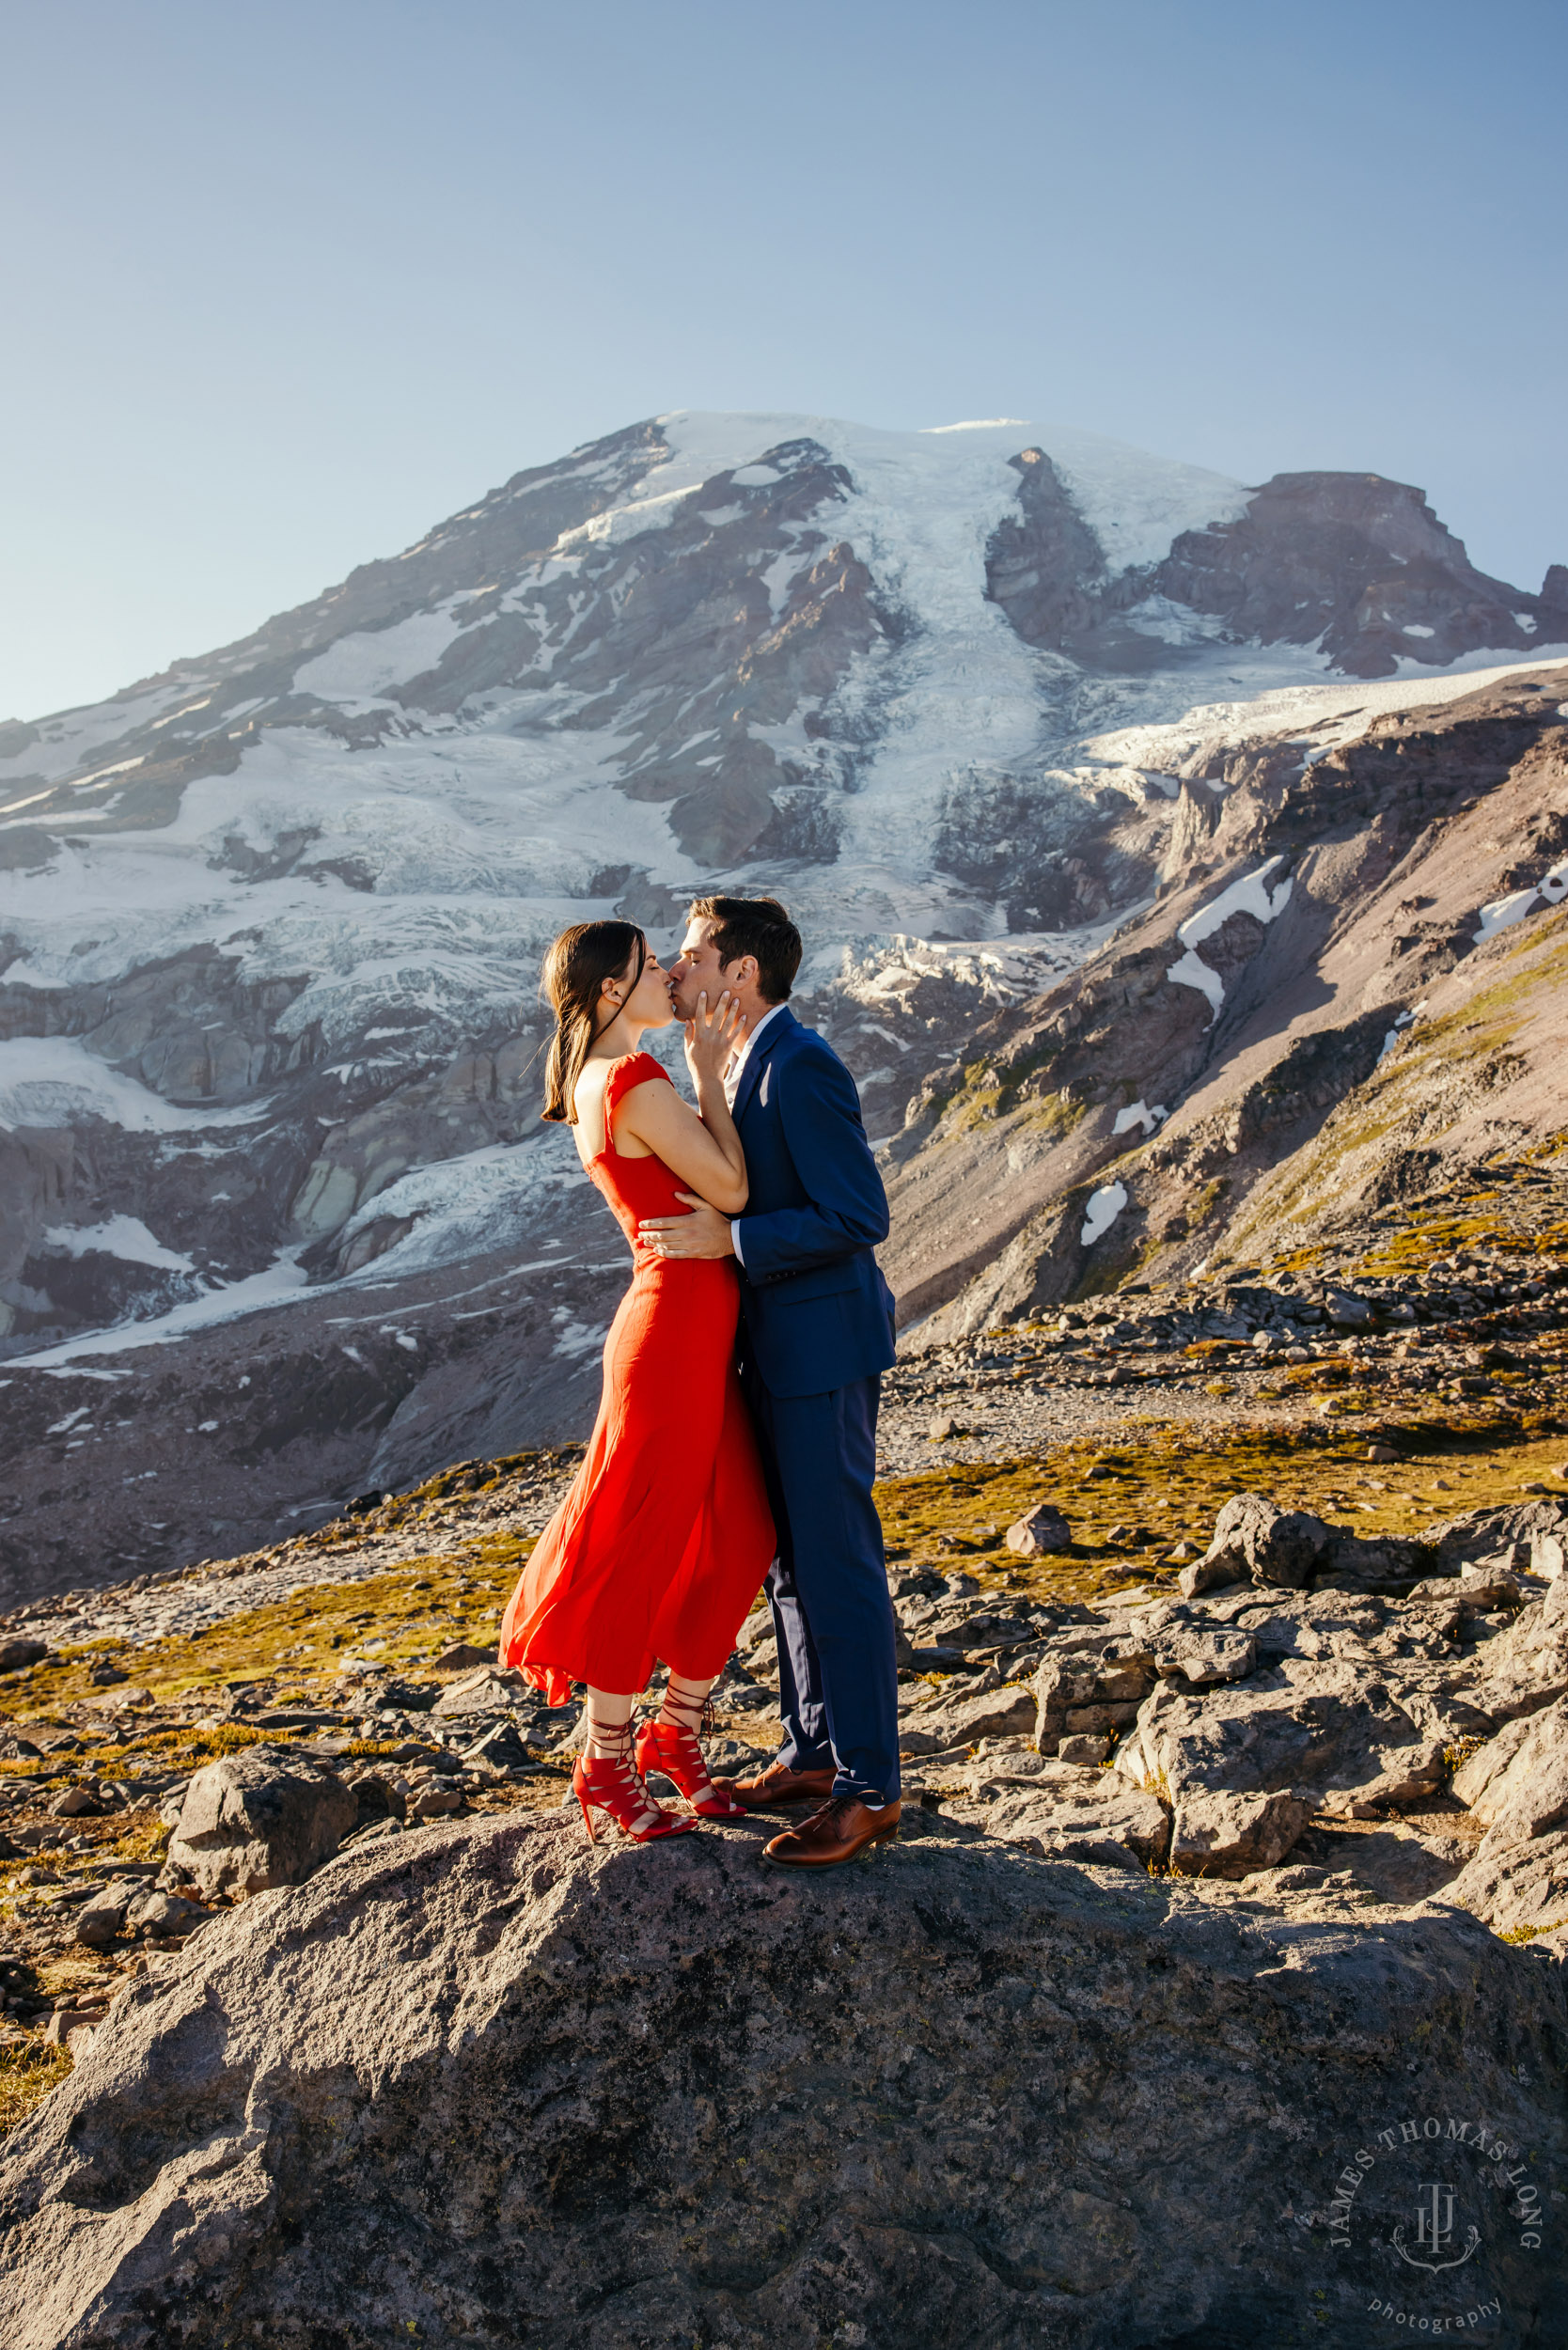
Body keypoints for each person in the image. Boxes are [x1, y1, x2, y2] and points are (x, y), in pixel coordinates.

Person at [497, 920, 776, 1844]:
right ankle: (606, 1758)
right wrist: (703, 1072)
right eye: (649, 965)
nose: (666, 972)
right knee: (643, 1538)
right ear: (611, 993)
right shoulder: (632, 1079)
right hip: (669, 1336)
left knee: (743, 1527)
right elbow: (731, 1190)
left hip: (693, 1329)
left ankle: (675, 1732)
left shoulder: (602, 1077)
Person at [644, 895, 902, 1871]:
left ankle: (872, 1788)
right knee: (789, 1565)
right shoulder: (742, 1061)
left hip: (822, 1350)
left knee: (837, 1565)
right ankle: (814, 1751)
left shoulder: (802, 1063)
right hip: (775, 1351)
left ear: (741, 973)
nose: (678, 970)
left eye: (693, 954)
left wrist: (734, 1239)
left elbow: (857, 1213)